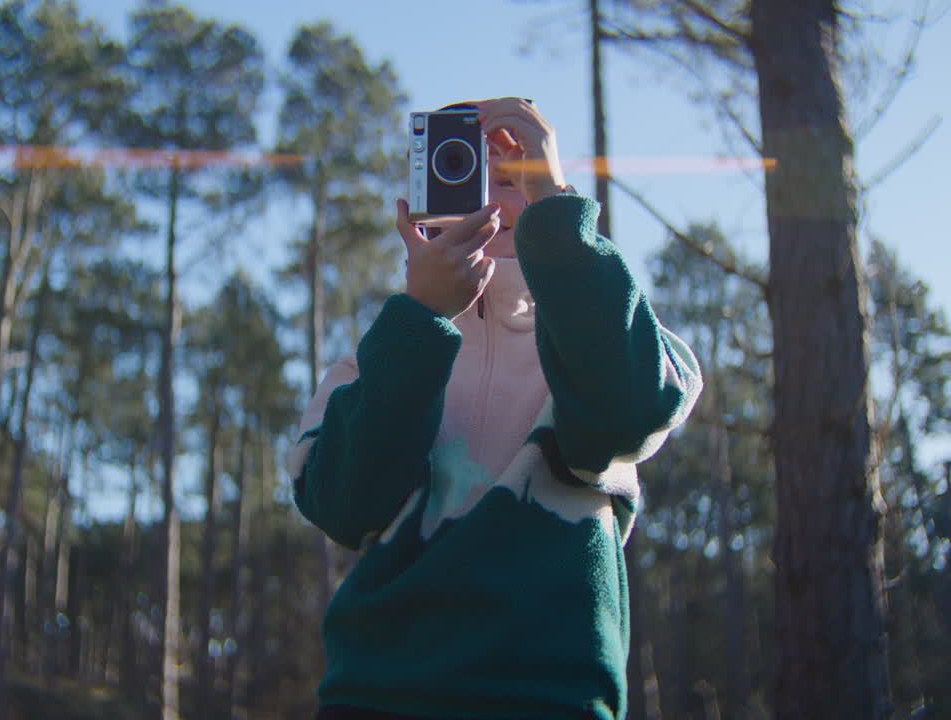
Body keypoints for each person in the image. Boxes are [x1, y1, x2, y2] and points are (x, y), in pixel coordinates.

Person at [286, 97, 702, 720]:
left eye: (512, 178)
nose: (488, 198)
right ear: (422, 202)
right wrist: (421, 320)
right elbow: (342, 503)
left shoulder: (619, 337)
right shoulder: (371, 363)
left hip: (551, 696)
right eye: (460, 172)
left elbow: (627, 412)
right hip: (375, 696)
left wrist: (559, 220)